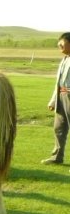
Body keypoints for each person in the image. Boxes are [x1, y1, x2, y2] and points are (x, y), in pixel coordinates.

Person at [41, 32, 70, 168]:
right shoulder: (64, 60)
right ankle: (57, 157)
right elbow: (58, 83)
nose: (59, 45)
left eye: (62, 42)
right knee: (59, 128)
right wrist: (53, 100)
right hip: (61, 97)